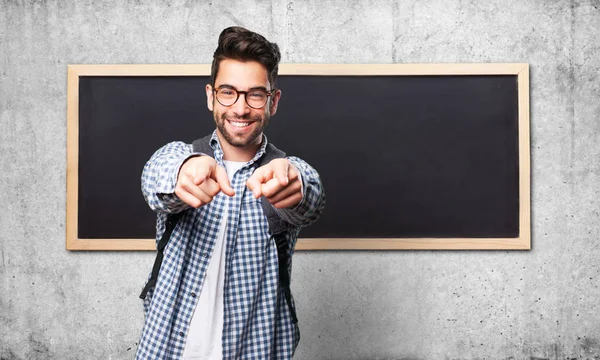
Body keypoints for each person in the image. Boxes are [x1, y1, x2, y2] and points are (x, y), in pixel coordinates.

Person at [136, 26, 326, 360]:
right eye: (228, 92)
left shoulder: (283, 173)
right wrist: (184, 171)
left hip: (255, 350)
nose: (240, 108)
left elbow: (311, 198)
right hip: (167, 350)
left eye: (255, 94)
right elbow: (154, 179)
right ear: (211, 96)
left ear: (273, 101)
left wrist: (295, 182)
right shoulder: (180, 157)